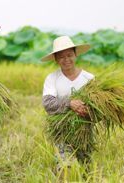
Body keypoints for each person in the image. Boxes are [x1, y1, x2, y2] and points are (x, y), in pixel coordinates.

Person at [41, 36, 95, 170]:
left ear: (76, 55)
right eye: (61, 57)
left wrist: (88, 111)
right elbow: (48, 104)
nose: (66, 60)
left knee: (86, 169)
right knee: (64, 166)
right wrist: (69, 103)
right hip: (61, 130)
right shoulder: (52, 78)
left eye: (70, 55)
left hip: (84, 131)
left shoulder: (89, 78)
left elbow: (100, 106)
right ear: (56, 59)